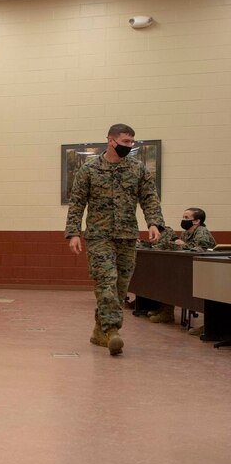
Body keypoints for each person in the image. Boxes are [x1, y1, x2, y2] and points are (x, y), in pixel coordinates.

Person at [65, 124, 164, 355]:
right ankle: (112, 331)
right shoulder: (89, 170)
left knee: (120, 287)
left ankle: (100, 330)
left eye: (132, 142)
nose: (129, 146)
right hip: (99, 237)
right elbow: (77, 203)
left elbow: (150, 198)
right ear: (111, 140)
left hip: (127, 236)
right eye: (126, 141)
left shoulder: (138, 169)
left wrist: (154, 223)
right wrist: (73, 233)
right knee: (106, 282)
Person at [146, 208, 216, 323]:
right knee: (167, 277)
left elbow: (201, 250)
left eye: (186, 218)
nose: (183, 220)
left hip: (205, 272)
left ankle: (168, 313)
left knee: (173, 280)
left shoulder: (202, 232)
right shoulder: (186, 233)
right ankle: (165, 309)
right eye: (183, 217)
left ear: (197, 221)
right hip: (190, 267)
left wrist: (182, 244)